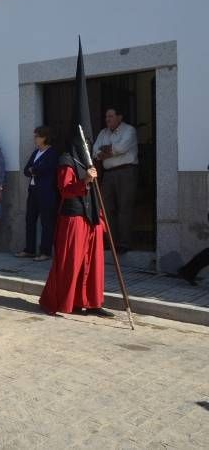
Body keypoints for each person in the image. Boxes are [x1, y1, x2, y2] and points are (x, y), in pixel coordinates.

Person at [39, 42, 113, 318]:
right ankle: (64, 301)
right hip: (72, 219)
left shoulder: (88, 160)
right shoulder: (66, 161)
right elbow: (66, 189)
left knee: (92, 263)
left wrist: (101, 216)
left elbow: (92, 190)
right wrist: (86, 180)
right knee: (71, 263)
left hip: (91, 217)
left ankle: (92, 301)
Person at [93, 107, 138, 254]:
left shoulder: (129, 130)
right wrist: (108, 151)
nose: (107, 120)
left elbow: (121, 148)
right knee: (107, 209)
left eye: (111, 116)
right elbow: (94, 151)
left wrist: (106, 151)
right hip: (108, 174)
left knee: (125, 208)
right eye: (106, 117)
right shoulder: (103, 133)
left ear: (119, 117)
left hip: (126, 172)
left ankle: (124, 243)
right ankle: (110, 242)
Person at [16, 126, 59, 261]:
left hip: (46, 192)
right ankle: (29, 249)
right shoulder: (36, 153)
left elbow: (46, 169)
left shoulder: (52, 153)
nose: (34, 139)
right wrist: (34, 170)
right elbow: (26, 170)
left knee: (46, 222)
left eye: (37, 136)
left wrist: (34, 169)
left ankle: (45, 252)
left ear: (44, 137)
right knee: (30, 219)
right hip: (33, 190)